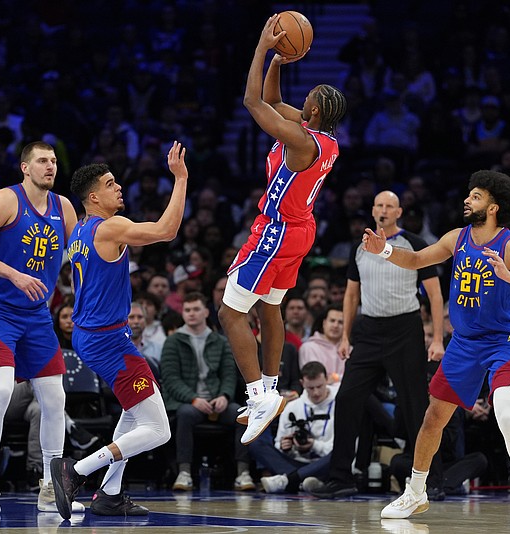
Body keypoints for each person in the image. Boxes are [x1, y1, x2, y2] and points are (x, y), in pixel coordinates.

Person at [365, 170, 510, 524]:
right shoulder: (457, 238)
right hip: (465, 342)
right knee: (433, 418)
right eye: (469, 194)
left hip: (504, 341)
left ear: (494, 206)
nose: (467, 200)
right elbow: (418, 260)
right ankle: (415, 492)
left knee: (505, 410)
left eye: (477, 196)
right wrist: (386, 250)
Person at [218, 14, 346, 445]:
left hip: (275, 231)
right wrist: (280, 58)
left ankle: (258, 394)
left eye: (306, 97)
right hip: (299, 232)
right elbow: (272, 96)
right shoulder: (321, 136)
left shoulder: (300, 139)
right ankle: (269, 389)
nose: (302, 97)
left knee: (230, 311)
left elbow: (254, 103)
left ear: (310, 111)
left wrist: (260, 46)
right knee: (269, 309)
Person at [49, 141, 187, 519]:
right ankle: (76, 470)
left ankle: (109, 495)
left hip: (94, 334)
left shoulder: (80, 230)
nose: (119, 187)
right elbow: (167, 230)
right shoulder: (110, 227)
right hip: (108, 339)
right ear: (94, 197)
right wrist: (180, 179)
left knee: (133, 413)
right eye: (111, 184)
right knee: (158, 429)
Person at [0, 141, 79, 515]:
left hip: (37, 313)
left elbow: (79, 256)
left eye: (54, 161)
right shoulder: (5, 200)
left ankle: (51, 486)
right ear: (25, 168)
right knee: (1, 390)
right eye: (42, 161)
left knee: (56, 398)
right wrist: (14, 275)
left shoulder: (64, 207)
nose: (50, 166)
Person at [312, 190, 445, 499]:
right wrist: (346, 335)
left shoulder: (414, 244)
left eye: (390, 206)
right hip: (369, 330)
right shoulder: (361, 248)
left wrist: (437, 337)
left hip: (405, 329)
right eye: (379, 206)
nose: (384, 210)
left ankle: (431, 478)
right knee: (346, 399)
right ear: (373, 211)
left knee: (415, 405)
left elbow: (435, 295)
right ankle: (341, 477)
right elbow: (350, 295)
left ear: (399, 212)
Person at [161, 292, 253, 492]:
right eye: (187, 310)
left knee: (242, 416)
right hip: (188, 403)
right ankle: (184, 472)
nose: (191, 314)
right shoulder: (173, 341)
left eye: (195, 309)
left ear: (205, 312)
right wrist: (193, 399)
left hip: (216, 400)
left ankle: (242, 472)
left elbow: (229, 374)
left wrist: (225, 396)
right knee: (185, 414)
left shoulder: (220, 341)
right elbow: (170, 379)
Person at [254, 361, 336, 494]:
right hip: (296, 462)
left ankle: (289, 480)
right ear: (302, 383)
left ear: (327, 380)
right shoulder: (292, 406)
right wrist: (285, 447)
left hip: (325, 463)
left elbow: (340, 448)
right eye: (310, 388)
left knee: (340, 454)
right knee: (256, 442)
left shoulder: (340, 404)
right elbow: (278, 442)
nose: (316, 393)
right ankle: (306, 481)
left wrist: (313, 445)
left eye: (319, 386)